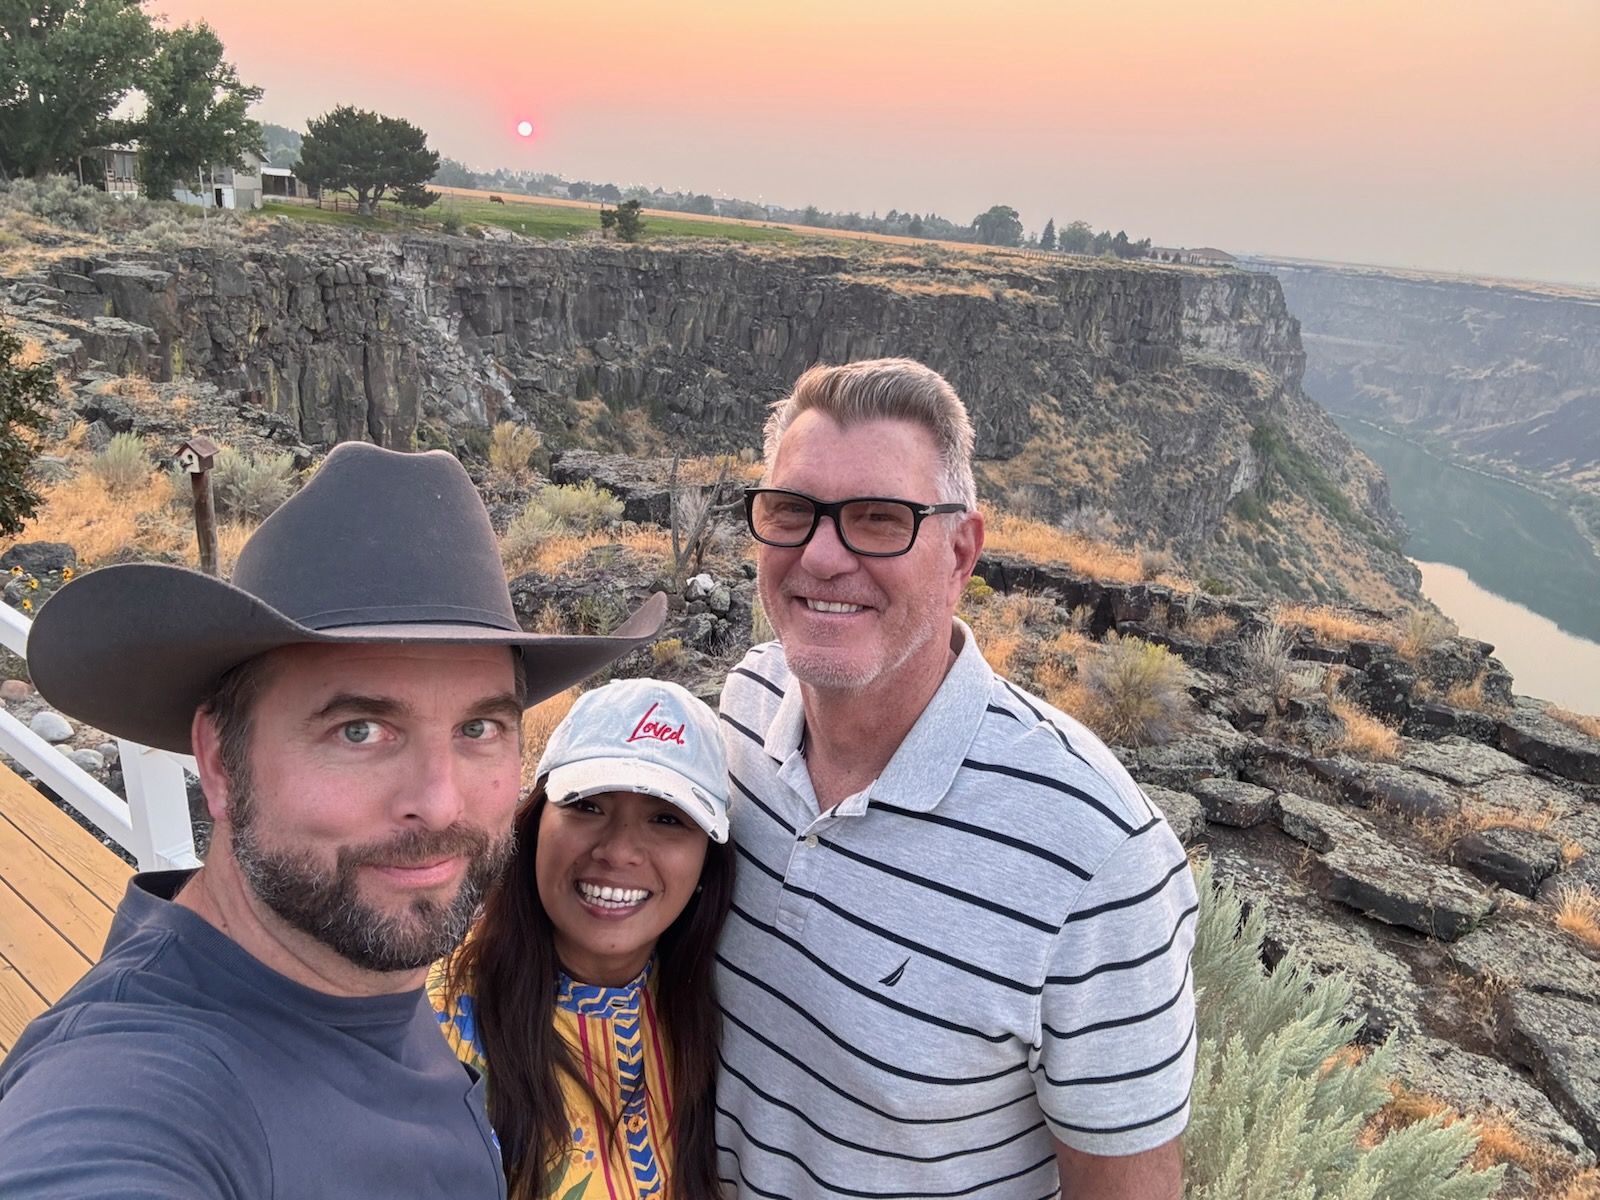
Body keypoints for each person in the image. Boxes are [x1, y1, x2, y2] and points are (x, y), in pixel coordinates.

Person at [0, 442, 664, 1199]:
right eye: (360, 731)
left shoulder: (353, 965)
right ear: (220, 760)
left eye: (480, 729)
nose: (440, 803)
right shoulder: (133, 1092)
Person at [717, 359, 1198, 1199]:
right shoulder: (742, 704)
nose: (822, 557)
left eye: (878, 520)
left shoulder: (1099, 856)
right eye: (791, 512)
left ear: (961, 551)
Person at [433, 678, 734, 1200]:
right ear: (533, 826)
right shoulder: (431, 1025)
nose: (619, 851)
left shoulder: (716, 1012)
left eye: (667, 819)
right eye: (589, 806)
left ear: (708, 861)